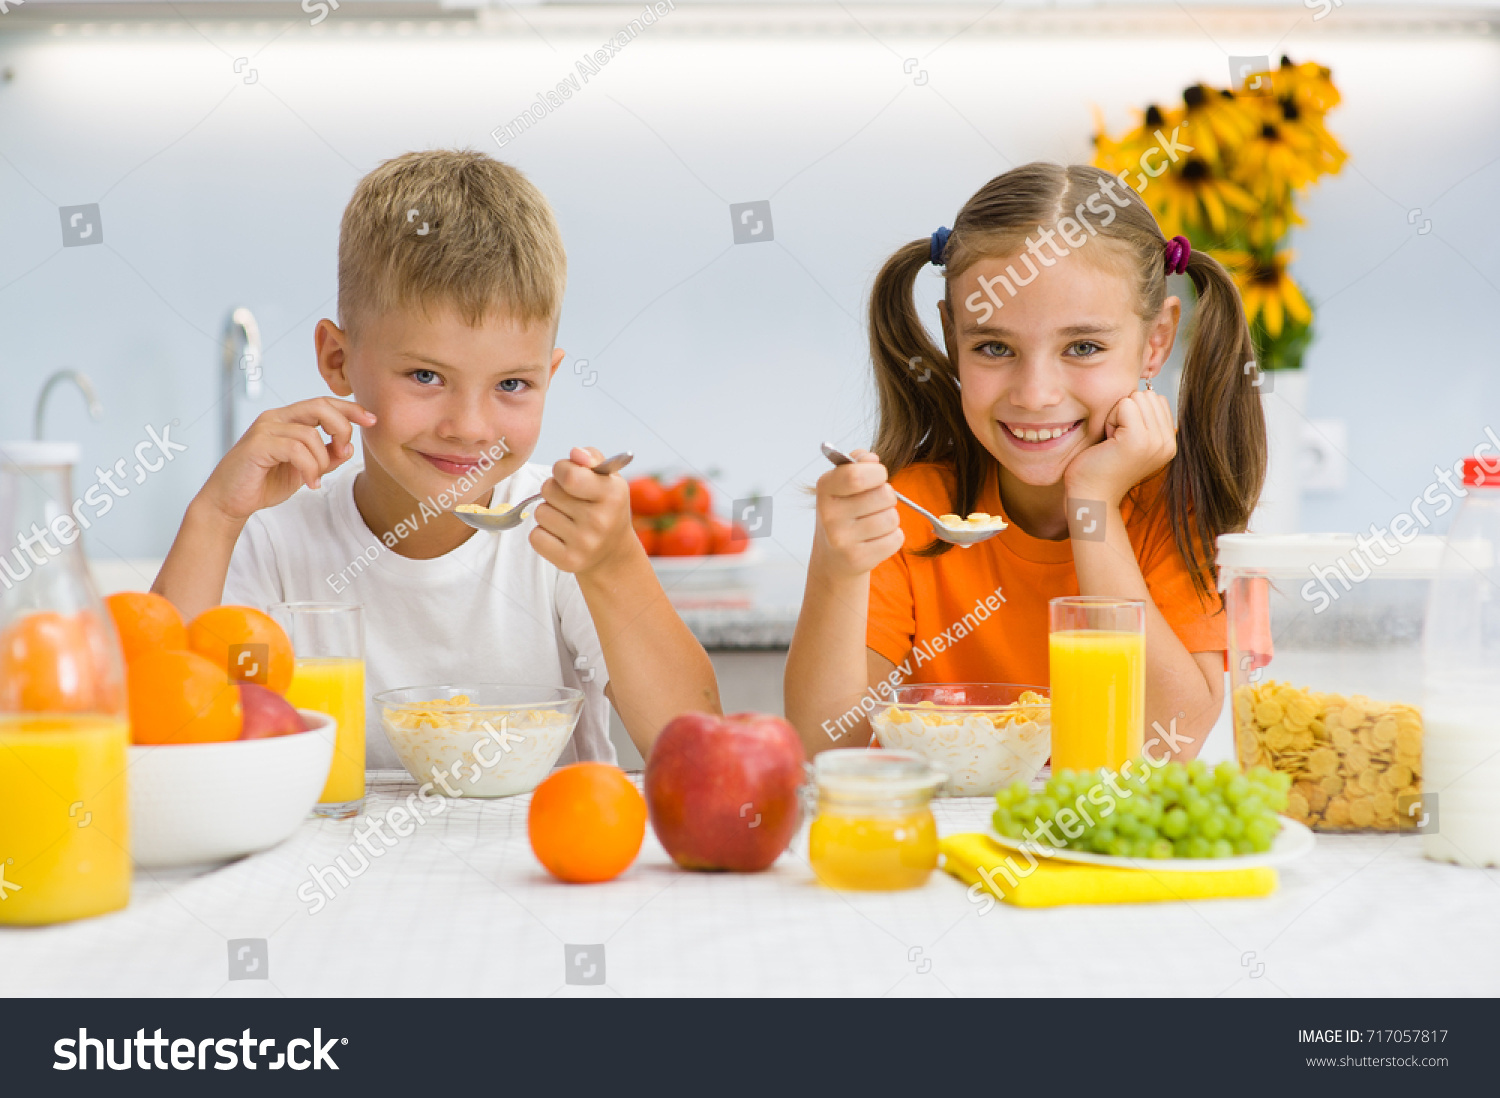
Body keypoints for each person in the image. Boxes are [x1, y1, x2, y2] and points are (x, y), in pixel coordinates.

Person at [155, 149, 719, 766]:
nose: (469, 428)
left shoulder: (559, 540)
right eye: (426, 375)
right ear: (337, 360)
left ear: (549, 378)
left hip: (549, 855)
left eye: (511, 386)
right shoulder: (271, 540)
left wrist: (616, 566)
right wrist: (214, 517)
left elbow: (696, 748)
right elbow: (164, 728)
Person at [784, 162, 1265, 761]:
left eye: (1083, 347)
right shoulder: (910, 511)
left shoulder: (1178, 510)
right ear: (951, 337)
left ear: (1157, 341)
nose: (1035, 394)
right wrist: (837, 570)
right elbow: (823, 745)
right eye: (993, 347)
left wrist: (1093, 506)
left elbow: (1163, 746)